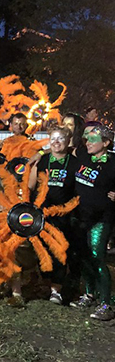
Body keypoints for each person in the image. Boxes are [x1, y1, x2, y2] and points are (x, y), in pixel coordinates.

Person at [28, 126, 78, 305]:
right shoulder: (42, 160)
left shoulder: (74, 163)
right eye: (53, 138)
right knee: (41, 250)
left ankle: (56, 290)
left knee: (59, 251)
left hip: (63, 215)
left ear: (68, 141)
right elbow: (30, 186)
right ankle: (44, 284)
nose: (57, 142)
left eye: (61, 139)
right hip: (41, 213)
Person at [70, 126, 115, 320]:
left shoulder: (113, 162)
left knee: (97, 256)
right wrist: (38, 154)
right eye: (86, 138)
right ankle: (89, 294)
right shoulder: (82, 153)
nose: (88, 142)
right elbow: (59, 149)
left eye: (93, 139)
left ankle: (106, 304)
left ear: (105, 143)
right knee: (81, 256)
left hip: (101, 218)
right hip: (80, 217)